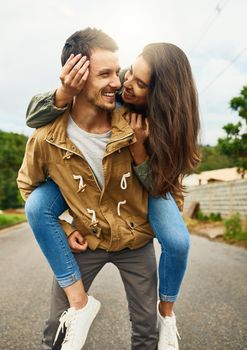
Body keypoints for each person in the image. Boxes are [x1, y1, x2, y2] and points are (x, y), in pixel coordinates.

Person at [21, 32, 200, 350]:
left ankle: (167, 315)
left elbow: (165, 187)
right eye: (125, 71)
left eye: (140, 83)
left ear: (157, 95)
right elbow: (33, 129)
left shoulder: (152, 126)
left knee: (176, 246)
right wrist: (63, 226)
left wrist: (141, 149)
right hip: (87, 230)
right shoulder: (54, 129)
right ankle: (80, 304)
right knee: (56, 333)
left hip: (138, 225)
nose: (123, 83)